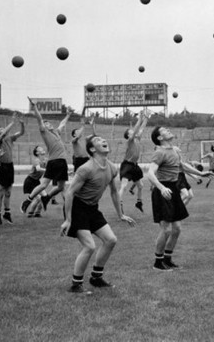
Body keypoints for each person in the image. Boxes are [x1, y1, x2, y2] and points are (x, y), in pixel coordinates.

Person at [61, 135, 136, 294]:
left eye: (104, 140)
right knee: (89, 246)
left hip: (92, 209)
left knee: (110, 240)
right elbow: (69, 193)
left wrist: (120, 214)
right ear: (92, 149)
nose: (104, 141)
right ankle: (75, 285)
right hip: (77, 208)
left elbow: (115, 192)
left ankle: (96, 278)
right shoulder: (86, 168)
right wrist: (68, 220)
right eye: (99, 140)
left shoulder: (112, 167)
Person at [147, 126, 213, 271]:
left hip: (174, 189)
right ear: (159, 138)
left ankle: (167, 259)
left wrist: (200, 174)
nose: (168, 130)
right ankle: (158, 263)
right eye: (164, 130)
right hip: (163, 190)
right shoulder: (159, 152)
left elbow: (182, 166)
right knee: (166, 230)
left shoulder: (174, 150)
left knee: (176, 228)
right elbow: (150, 173)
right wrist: (162, 188)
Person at [21, 99, 73, 213]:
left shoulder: (56, 132)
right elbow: (39, 118)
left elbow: (62, 124)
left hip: (62, 161)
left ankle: (47, 197)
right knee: (44, 184)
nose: (47, 123)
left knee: (61, 187)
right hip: (54, 161)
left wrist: (68, 115)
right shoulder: (44, 132)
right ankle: (28, 200)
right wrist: (34, 107)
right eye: (45, 123)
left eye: (48, 122)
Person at [0, 112, 25, 225]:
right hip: (3, 167)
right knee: (1, 191)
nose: (3, 130)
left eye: (3, 129)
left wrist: (21, 124)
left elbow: (21, 133)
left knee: (8, 193)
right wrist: (12, 121)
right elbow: (4, 133)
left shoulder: (10, 139)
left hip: (10, 167)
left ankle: (7, 213)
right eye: (1, 129)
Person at [118, 109, 149, 212]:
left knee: (141, 185)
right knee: (124, 186)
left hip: (135, 165)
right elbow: (136, 129)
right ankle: (119, 204)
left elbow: (141, 129)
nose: (133, 131)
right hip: (127, 165)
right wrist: (139, 119)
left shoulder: (137, 139)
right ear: (128, 135)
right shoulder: (130, 141)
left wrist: (146, 119)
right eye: (130, 131)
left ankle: (138, 203)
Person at [23, 145, 48, 218]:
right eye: (39, 148)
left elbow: (52, 168)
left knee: (45, 197)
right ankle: (30, 213)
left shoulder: (45, 160)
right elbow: (38, 169)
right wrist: (48, 170)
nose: (42, 148)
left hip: (36, 182)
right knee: (38, 198)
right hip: (30, 181)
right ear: (37, 153)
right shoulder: (36, 160)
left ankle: (37, 213)